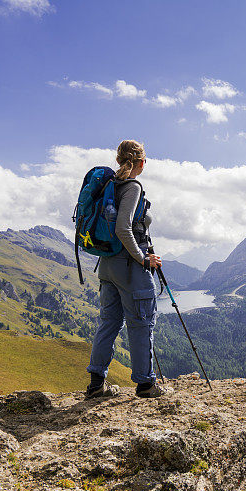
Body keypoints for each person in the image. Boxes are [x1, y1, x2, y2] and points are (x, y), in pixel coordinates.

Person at [85, 139, 165, 399]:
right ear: (141, 162)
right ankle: (145, 385)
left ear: (118, 160)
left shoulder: (110, 184)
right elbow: (123, 228)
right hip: (129, 268)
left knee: (108, 323)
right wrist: (143, 258)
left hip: (107, 266)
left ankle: (96, 384)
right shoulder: (132, 186)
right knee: (141, 323)